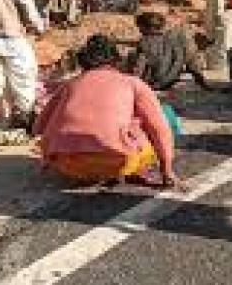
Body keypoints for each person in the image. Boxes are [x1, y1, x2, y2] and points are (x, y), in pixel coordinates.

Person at [33, 35, 185, 189]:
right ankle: (135, 167)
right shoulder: (132, 83)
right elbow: (159, 128)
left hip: (66, 165)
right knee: (165, 114)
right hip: (117, 162)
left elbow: (38, 127)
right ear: (116, 60)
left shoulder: (69, 85)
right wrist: (167, 171)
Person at [127, 11, 210, 90]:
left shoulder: (145, 42)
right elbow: (192, 65)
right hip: (170, 82)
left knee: (131, 55)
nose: (139, 31)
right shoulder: (179, 39)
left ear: (145, 27)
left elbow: (139, 67)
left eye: (139, 28)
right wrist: (204, 84)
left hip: (152, 83)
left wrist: (132, 85)